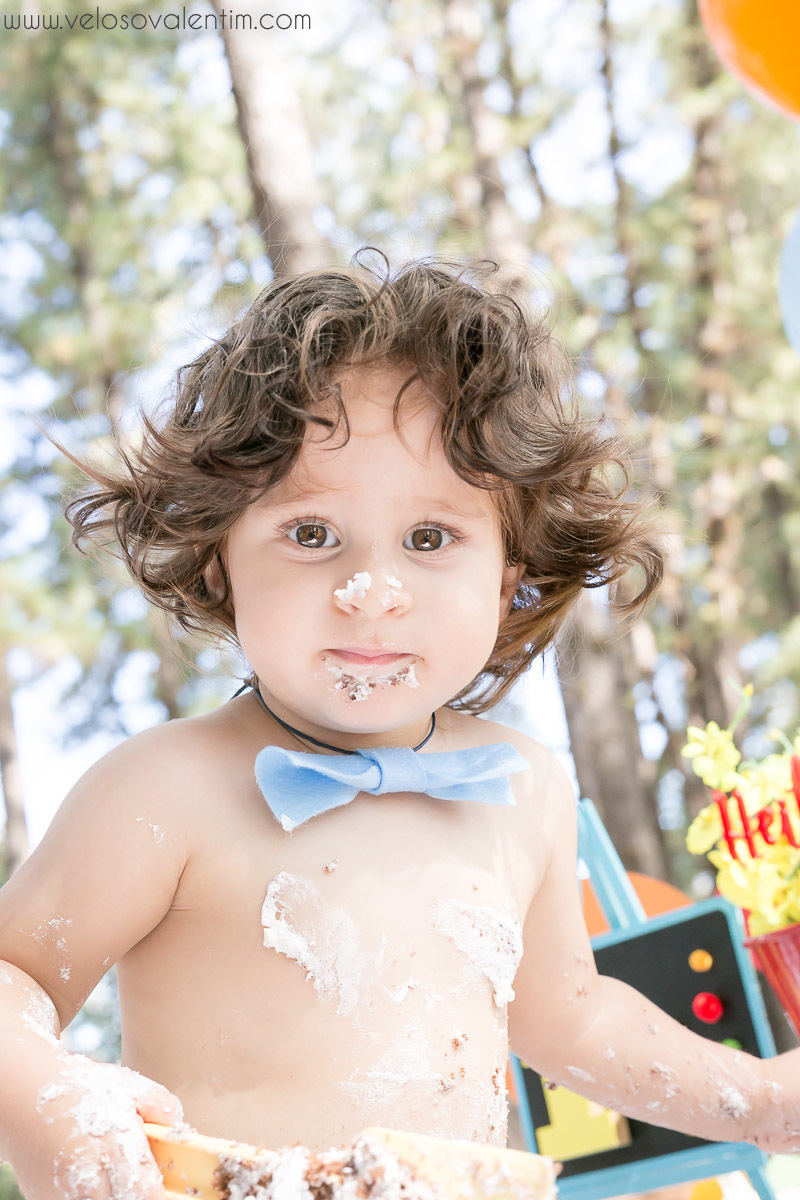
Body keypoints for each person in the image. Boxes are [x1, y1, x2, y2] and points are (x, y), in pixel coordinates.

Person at [1, 248, 797, 1200]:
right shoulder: (165, 789)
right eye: (310, 535)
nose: (371, 594)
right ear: (218, 560)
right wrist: (47, 1100)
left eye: (430, 539)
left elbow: (573, 1019)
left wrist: (758, 1097)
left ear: (506, 579)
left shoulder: (525, 786)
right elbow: (15, 978)